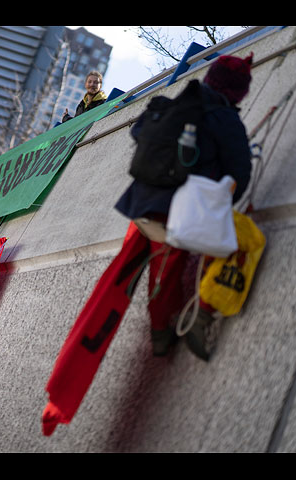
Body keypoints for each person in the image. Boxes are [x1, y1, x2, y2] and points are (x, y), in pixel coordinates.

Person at [113, 53, 254, 361]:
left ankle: (161, 333)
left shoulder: (177, 103)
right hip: (183, 211)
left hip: (142, 201)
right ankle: (199, 318)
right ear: (237, 91)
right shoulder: (224, 117)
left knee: (163, 269)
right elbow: (239, 173)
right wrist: (222, 204)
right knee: (240, 246)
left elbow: (138, 134)